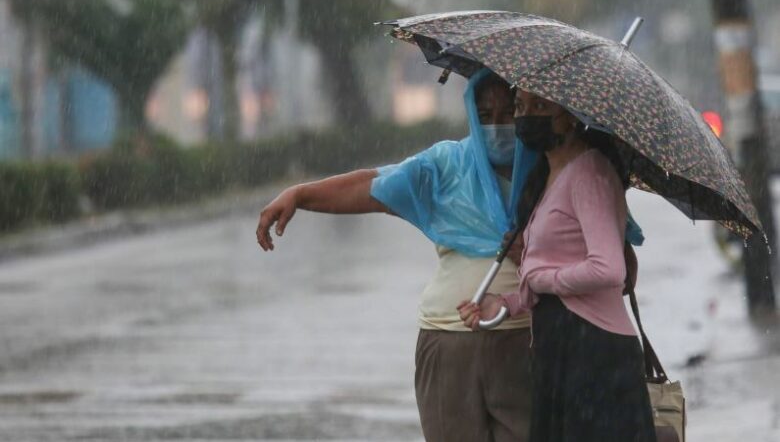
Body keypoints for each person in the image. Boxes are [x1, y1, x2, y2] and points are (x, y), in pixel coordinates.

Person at [257, 69, 642, 442]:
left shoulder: (562, 167)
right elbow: (372, 186)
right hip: (447, 342)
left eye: (511, 112)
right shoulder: (445, 166)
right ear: (472, 115)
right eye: (486, 116)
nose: (500, 125)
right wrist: (301, 195)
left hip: (528, 344)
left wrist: (536, 266)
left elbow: (618, 271)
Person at [458, 89, 655, 441]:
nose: (525, 116)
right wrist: (505, 303)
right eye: (521, 106)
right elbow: (549, 268)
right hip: (560, 350)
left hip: (594, 351)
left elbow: (609, 269)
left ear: (572, 115)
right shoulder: (547, 177)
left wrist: (543, 280)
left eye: (540, 106)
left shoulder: (589, 173)